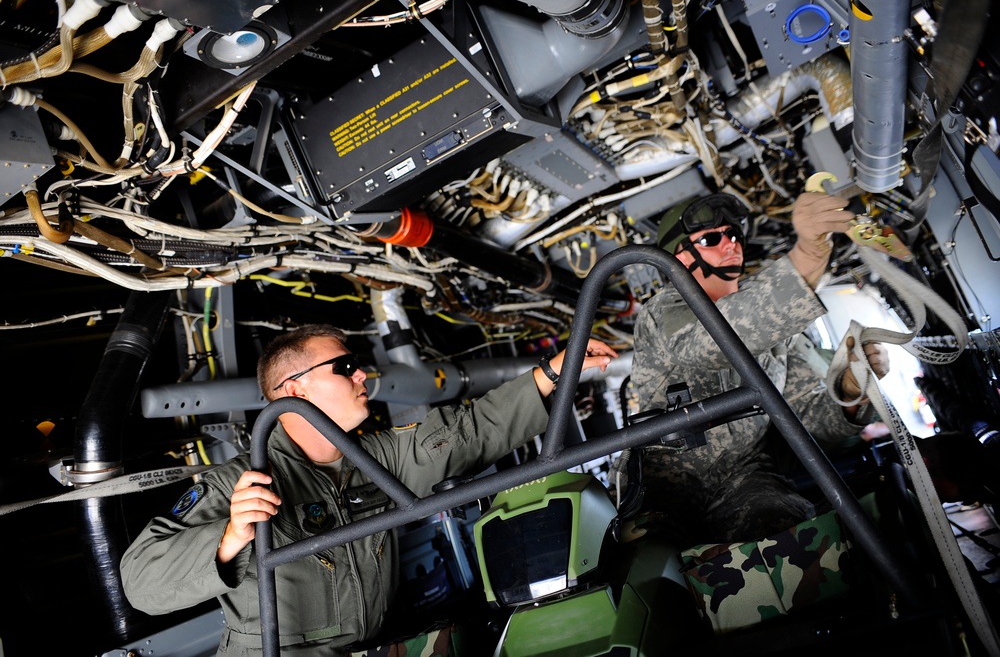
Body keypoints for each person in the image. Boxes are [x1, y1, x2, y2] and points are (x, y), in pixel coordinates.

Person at [120, 323, 617, 655]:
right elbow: (140, 583)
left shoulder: (375, 460)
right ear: (295, 390)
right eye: (344, 367)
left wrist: (555, 370)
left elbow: (470, 432)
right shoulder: (238, 483)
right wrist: (227, 538)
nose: (362, 375)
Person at [628, 191, 890, 546]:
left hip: (745, 474)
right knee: (650, 569)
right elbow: (709, 345)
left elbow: (810, 417)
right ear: (677, 256)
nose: (730, 244)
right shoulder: (662, 312)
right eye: (711, 239)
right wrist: (809, 255)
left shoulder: (777, 334)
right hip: (665, 487)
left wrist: (850, 387)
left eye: (734, 234)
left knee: (787, 534)